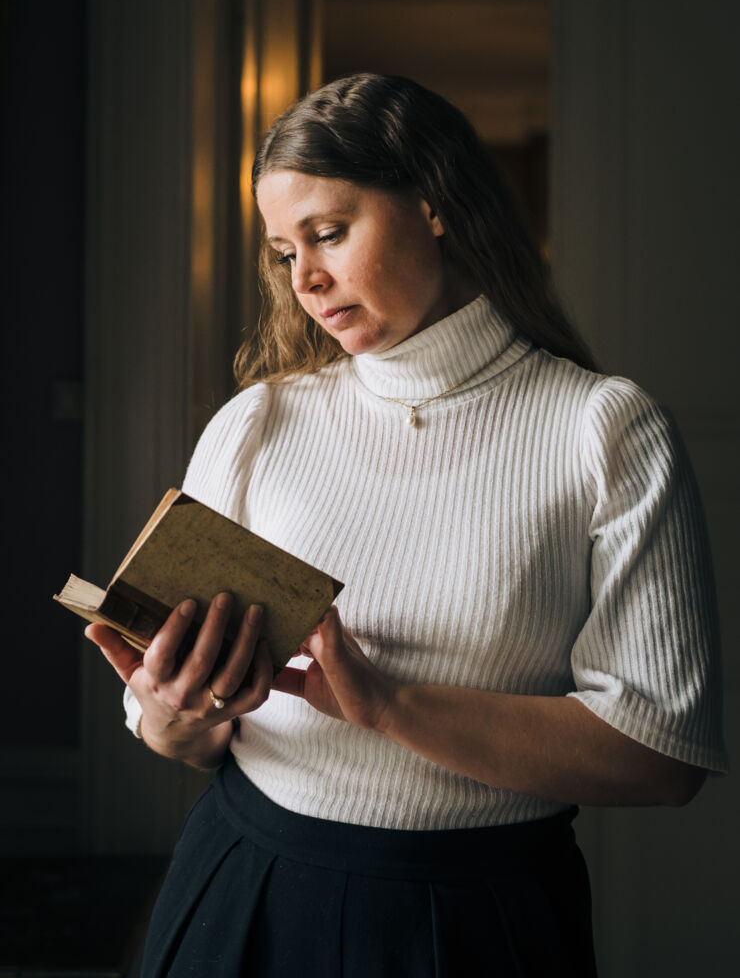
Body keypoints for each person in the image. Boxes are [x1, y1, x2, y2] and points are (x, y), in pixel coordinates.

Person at [86, 73, 727, 977]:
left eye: (329, 232)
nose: (305, 278)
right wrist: (171, 708)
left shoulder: (605, 430)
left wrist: (390, 709)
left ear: (432, 204)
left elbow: (664, 757)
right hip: (245, 888)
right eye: (283, 252)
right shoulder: (258, 423)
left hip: (483, 917)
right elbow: (183, 746)